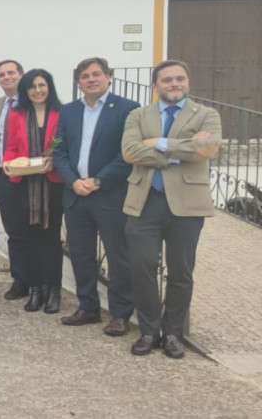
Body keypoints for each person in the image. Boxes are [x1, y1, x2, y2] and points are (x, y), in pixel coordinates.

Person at [122, 60, 221, 359]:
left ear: (188, 82)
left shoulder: (206, 114)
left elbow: (207, 149)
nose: (174, 84)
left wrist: (159, 142)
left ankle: (173, 333)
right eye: (166, 80)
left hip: (187, 204)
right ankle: (149, 330)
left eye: (179, 79)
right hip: (144, 200)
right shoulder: (138, 115)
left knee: (181, 271)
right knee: (141, 266)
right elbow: (130, 151)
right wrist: (179, 152)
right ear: (155, 86)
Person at [51, 57, 140, 335]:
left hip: (110, 195)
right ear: (79, 82)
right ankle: (88, 307)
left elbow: (127, 155)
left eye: (96, 74)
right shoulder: (69, 111)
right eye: (85, 76)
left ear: (108, 77)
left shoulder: (127, 109)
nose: (91, 79)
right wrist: (73, 181)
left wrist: (98, 180)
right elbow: (59, 151)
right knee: (81, 254)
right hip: (76, 195)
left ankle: (120, 314)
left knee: (118, 256)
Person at [2, 69, 64, 314]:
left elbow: (68, 145)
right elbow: (11, 147)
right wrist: (8, 164)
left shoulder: (63, 113)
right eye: (32, 86)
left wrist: (54, 161)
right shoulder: (17, 115)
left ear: (49, 86)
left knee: (51, 240)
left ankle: (54, 290)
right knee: (30, 239)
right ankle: (36, 289)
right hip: (25, 186)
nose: (37, 90)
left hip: (53, 184)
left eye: (42, 85)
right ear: (25, 91)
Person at [0, 60, 30, 300]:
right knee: (13, 231)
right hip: (4, 175)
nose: (6, 77)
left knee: (36, 230)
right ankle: (20, 280)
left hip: (32, 175)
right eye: (2, 74)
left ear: (21, 75)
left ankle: (41, 281)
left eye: (11, 73)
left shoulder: (34, 103)